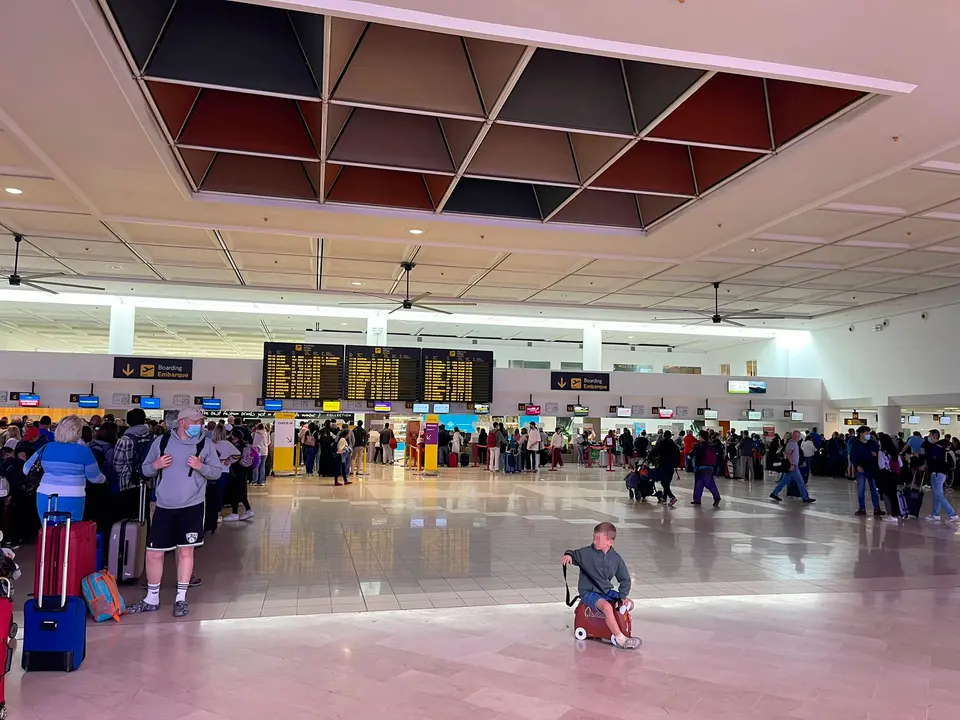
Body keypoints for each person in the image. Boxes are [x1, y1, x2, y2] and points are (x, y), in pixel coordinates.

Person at [127, 407, 223, 618]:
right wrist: (156, 465)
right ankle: (152, 598)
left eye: (200, 421)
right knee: (153, 552)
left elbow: (216, 473)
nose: (199, 425)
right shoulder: (161, 443)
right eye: (195, 421)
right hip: (163, 506)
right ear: (182, 423)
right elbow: (144, 470)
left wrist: (201, 467)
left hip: (192, 506)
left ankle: (181, 598)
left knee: (186, 551)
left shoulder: (204, 444)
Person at [560, 522, 640, 650]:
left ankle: (619, 615)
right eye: (594, 538)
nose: (594, 541)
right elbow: (573, 553)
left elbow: (625, 579)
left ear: (610, 542)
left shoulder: (616, 559)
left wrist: (623, 596)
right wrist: (568, 555)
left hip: (605, 591)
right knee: (607, 607)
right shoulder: (586, 553)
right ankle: (620, 639)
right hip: (589, 592)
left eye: (598, 539)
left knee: (629, 603)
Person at [23, 414, 105, 523]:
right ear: (78, 432)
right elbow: (95, 478)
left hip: (44, 494)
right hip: (72, 496)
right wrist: (105, 479)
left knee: (48, 533)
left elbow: (26, 469)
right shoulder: (84, 451)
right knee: (69, 534)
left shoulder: (46, 447)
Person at [920, 428, 959, 523]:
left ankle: (952, 514)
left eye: (930, 436)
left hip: (938, 473)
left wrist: (922, 455)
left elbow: (930, 458)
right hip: (939, 473)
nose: (928, 438)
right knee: (936, 494)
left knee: (938, 495)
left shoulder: (936, 447)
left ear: (934, 437)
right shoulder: (940, 447)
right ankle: (935, 514)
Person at [769, 430, 816, 503]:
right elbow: (788, 454)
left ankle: (774, 493)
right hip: (793, 466)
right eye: (797, 436)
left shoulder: (793, 443)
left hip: (793, 466)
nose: (799, 438)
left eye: (799, 436)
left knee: (784, 481)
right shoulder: (792, 444)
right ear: (794, 436)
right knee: (800, 482)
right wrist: (792, 464)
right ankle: (805, 497)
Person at [850, 425, 884, 517]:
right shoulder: (856, 444)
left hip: (872, 468)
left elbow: (879, 453)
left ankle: (877, 508)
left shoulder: (872, 443)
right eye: (867, 433)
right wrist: (857, 466)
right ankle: (862, 508)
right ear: (861, 434)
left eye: (869, 433)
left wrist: (875, 454)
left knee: (874, 488)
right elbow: (853, 457)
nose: (868, 435)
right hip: (861, 468)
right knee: (861, 489)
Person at [876, 432, 905, 523]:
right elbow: (900, 464)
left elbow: (881, 465)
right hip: (894, 475)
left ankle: (891, 515)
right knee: (893, 494)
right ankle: (895, 514)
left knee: (887, 494)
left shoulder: (881, 452)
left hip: (886, 475)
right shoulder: (894, 451)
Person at [690, 430, 722, 507]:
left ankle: (697, 499)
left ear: (701, 437)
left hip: (701, 467)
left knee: (700, 484)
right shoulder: (710, 445)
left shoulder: (698, 446)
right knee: (709, 483)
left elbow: (691, 454)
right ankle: (716, 497)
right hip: (710, 467)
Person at [649, 430, 680, 506]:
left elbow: (654, 451)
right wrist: (675, 465)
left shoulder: (661, 443)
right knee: (666, 482)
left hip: (663, 464)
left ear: (664, 436)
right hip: (671, 466)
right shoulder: (674, 445)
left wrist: (651, 459)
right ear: (670, 436)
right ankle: (664, 498)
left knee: (664, 482)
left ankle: (672, 497)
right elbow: (678, 455)